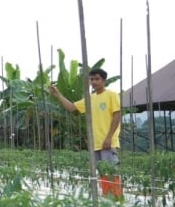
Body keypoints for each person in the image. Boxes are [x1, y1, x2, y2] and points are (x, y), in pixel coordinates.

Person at [49, 67, 123, 198]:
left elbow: (117, 116)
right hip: (95, 143)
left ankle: (116, 200)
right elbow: (72, 107)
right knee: (102, 173)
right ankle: (107, 198)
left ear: (104, 80)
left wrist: (109, 138)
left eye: (97, 79)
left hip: (108, 142)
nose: (94, 82)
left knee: (111, 172)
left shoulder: (112, 95)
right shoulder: (90, 98)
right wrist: (57, 95)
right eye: (92, 79)